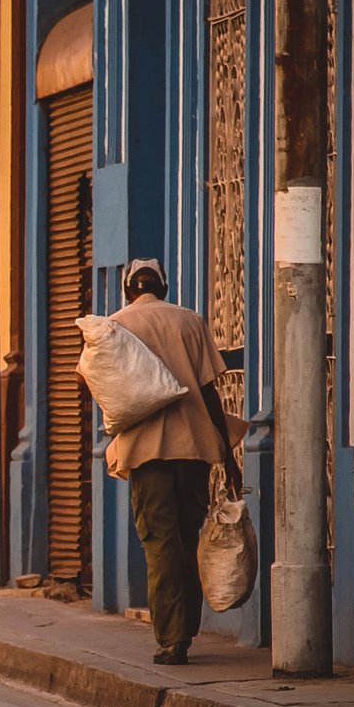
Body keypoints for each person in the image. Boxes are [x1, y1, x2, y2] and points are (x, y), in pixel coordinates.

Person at [100, 258, 242, 665]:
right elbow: (210, 391)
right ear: (163, 287)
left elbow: (100, 385)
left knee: (160, 543)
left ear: (129, 290)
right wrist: (228, 457)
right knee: (187, 537)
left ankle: (171, 639)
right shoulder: (189, 321)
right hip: (195, 448)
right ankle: (187, 628)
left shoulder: (117, 325)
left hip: (146, 451)